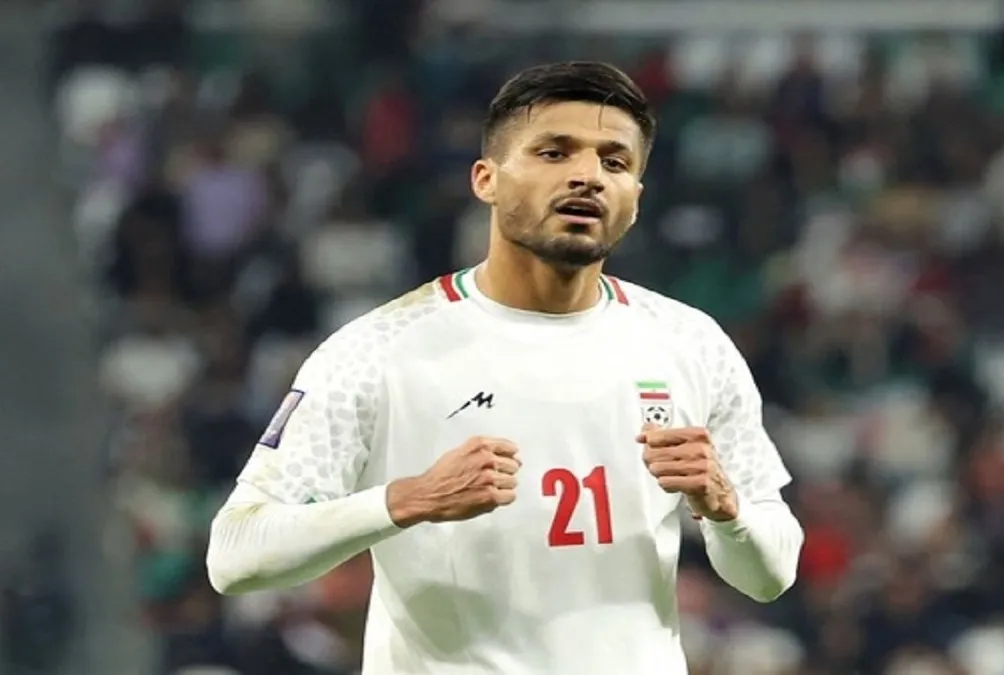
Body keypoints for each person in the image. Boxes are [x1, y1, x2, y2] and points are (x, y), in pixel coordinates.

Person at [206, 61, 804, 674]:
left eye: (614, 162)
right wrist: (408, 499)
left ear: (636, 199)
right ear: (486, 179)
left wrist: (724, 508)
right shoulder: (377, 350)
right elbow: (235, 555)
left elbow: (772, 575)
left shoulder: (690, 343)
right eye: (554, 152)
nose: (588, 176)